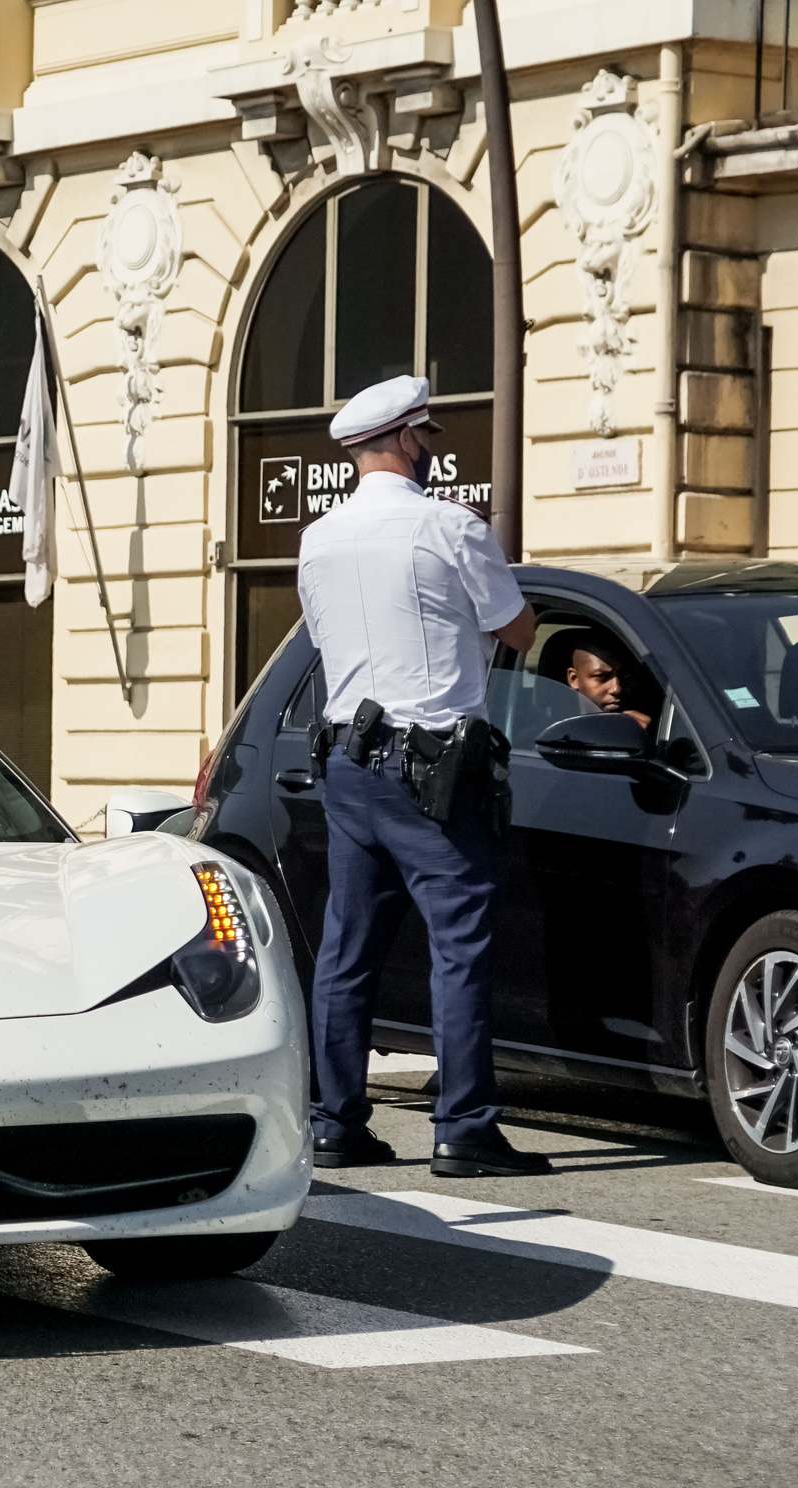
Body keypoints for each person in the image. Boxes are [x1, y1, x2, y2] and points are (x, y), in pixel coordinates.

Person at [297, 374, 552, 1178]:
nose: (433, 451)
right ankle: (464, 1127)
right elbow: (517, 624)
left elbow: (317, 632)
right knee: (461, 944)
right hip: (433, 766)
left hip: (346, 759)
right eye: (428, 437)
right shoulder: (451, 527)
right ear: (407, 440)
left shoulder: (319, 537)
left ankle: (334, 1122)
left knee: (347, 947)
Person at [564, 635, 650, 727]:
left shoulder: (651, 730)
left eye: (626, 675)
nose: (616, 689)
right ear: (574, 679)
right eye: (601, 676)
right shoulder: (559, 735)